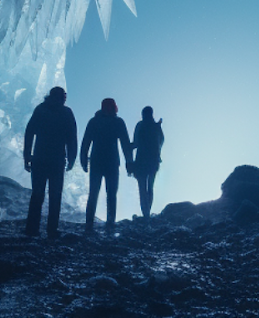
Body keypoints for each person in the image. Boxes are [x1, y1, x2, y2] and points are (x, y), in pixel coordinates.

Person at [22, 86, 77, 238]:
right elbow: (72, 137)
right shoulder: (65, 112)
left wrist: (27, 155)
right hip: (54, 160)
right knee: (53, 195)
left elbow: (29, 132)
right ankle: (50, 230)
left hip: (43, 158)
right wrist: (72, 157)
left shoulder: (41, 110)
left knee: (40, 194)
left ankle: (33, 229)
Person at [79, 97, 131, 234]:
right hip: (108, 162)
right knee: (106, 193)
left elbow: (86, 142)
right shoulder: (117, 122)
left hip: (100, 162)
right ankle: (105, 223)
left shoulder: (95, 121)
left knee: (101, 193)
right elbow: (125, 144)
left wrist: (83, 159)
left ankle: (95, 224)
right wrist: (129, 162)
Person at [129, 106, 165, 218]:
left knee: (142, 188)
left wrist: (128, 148)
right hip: (153, 161)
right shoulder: (156, 127)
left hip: (141, 161)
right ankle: (147, 213)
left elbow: (135, 142)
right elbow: (161, 142)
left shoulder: (141, 125)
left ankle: (145, 213)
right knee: (149, 187)